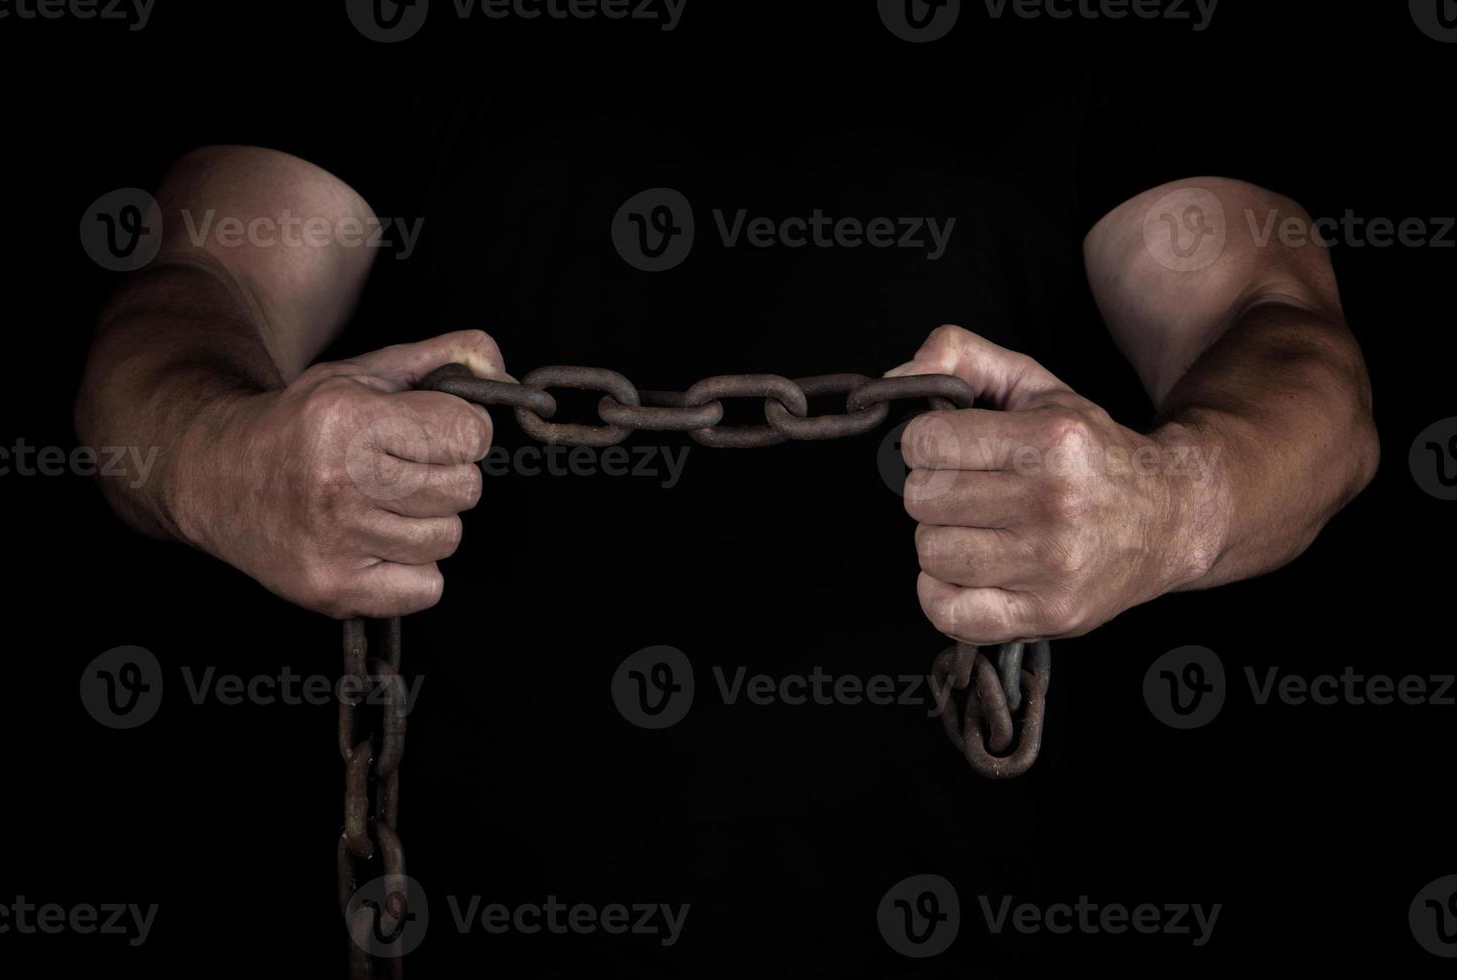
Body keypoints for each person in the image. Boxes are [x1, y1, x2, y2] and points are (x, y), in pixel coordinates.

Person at [74, 57, 1377, 976]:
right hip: (460, 923)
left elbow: (1285, 346)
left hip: (950, 923)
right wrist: (214, 454)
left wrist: (1179, 499)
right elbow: (189, 290)